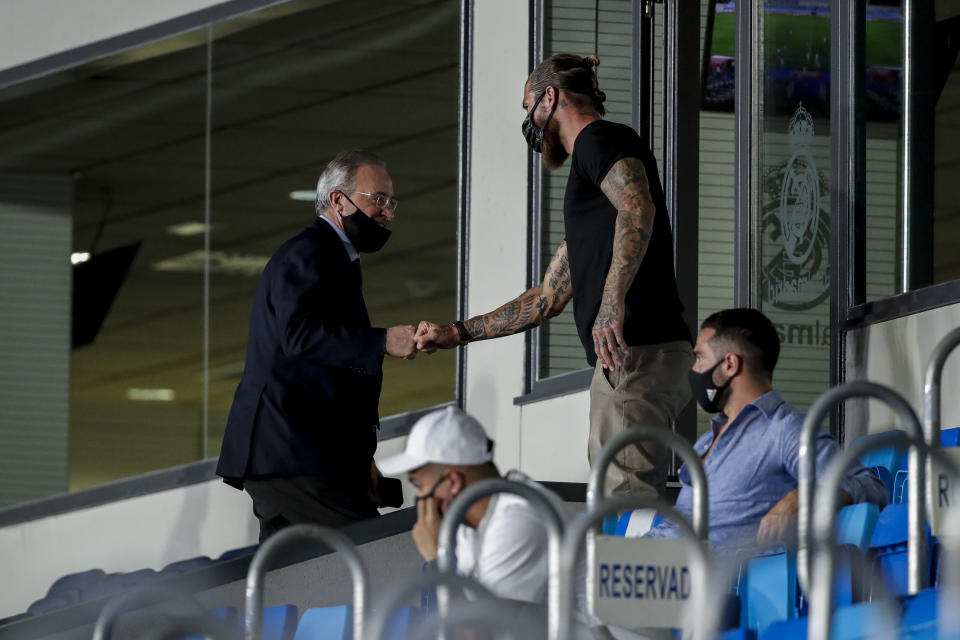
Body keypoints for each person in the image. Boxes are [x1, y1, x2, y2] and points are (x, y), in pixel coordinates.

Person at [415, 53, 693, 500]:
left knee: (623, 505)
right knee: (619, 498)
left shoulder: (597, 139)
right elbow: (547, 297)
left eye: (529, 108)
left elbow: (638, 206)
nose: (528, 120)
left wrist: (610, 304)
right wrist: (458, 332)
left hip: (635, 352)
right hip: (634, 355)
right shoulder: (590, 190)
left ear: (551, 97)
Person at [216, 149, 419, 541]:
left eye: (391, 203)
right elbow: (299, 337)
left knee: (289, 582)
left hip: (294, 456)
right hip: (291, 452)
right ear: (338, 200)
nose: (387, 213)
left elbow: (326, 370)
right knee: (370, 554)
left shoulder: (336, 259)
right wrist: (381, 340)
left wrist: (361, 462)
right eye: (378, 200)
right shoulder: (308, 253)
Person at [645, 308, 888, 549]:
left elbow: (871, 486)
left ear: (729, 364)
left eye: (700, 358)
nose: (694, 369)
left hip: (709, 579)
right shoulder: (707, 440)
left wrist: (804, 496)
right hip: (654, 568)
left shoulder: (786, 431)